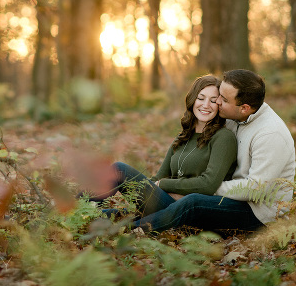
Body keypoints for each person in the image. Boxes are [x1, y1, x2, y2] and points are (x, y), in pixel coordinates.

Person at [131, 69, 296, 234]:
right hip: (232, 199)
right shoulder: (234, 118)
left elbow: (255, 190)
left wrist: (204, 190)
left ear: (244, 108)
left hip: (259, 214)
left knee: (193, 202)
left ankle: (134, 229)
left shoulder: (270, 134)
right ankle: (116, 220)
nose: (216, 102)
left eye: (223, 99)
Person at [86, 75, 237, 221]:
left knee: (119, 169)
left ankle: (78, 210)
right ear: (192, 100)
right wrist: (145, 193)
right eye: (201, 98)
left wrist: (164, 185)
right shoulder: (183, 137)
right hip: (165, 201)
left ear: (219, 105)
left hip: (186, 208)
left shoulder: (223, 138)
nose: (205, 105)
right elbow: (158, 178)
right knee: (108, 216)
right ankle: (80, 213)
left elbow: (208, 184)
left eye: (212, 101)